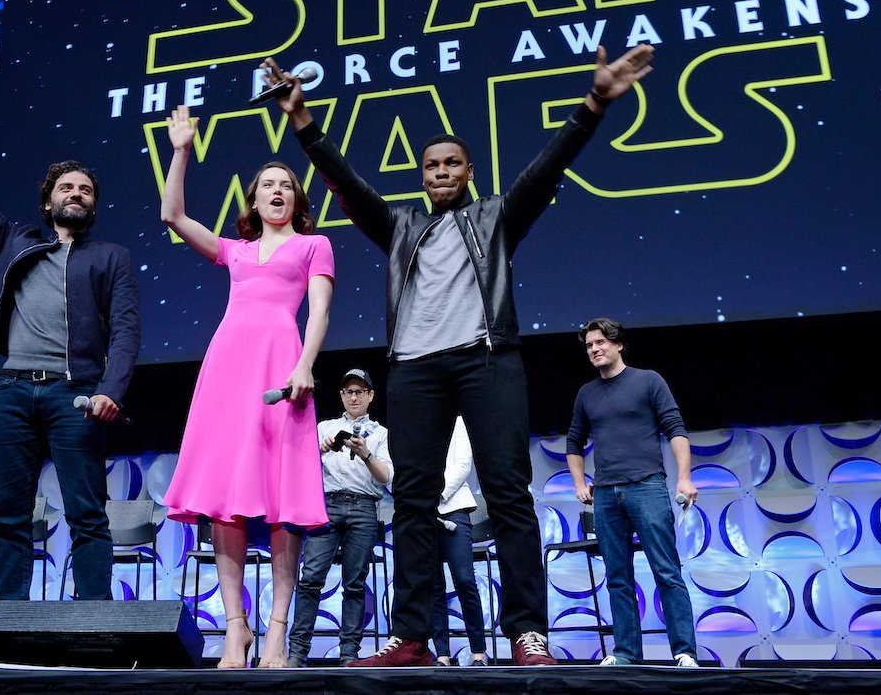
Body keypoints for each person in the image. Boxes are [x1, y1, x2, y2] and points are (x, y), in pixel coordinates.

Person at [261, 42, 655, 667]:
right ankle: (412, 636)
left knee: (508, 494)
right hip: (416, 368)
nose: (441, 173)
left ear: (468, 172)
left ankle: (527, 633)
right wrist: (303, 123)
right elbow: (349, 184)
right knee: (414, 500)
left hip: (487, 361)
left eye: (452, 165)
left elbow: (546, 170)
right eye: (431, 166)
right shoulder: (401, 228)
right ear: (422, 176)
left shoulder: (496, 217)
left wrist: (594, 103)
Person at [0, 86, 140, 602]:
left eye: (85, 190)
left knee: (87, 513)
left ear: (93, 206)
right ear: (48, 201)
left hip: (76, 396)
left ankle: (93, 621)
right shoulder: (17, 241)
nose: (76, 194)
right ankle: (8, 623)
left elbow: (127, 329)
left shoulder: (111, 256)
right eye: (66, 187)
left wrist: (112, 389)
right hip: (13, 393)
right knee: (10, 513)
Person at [159, 104, 334, 669]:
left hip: (283, 370)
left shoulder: (315, 245)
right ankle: (237, 630)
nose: (278, 191)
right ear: (254, 201)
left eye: (287, 186)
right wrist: (182, 150)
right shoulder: (233, 251)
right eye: (268, 186)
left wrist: (305, 365)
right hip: (228, 371)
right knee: (225, 502)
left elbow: (320, 312)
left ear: (297, 202)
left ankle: (278, 631)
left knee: (283, 503)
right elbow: (171, 214)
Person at [565, 316, 700, 667]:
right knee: (617, 577)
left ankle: (684, 652)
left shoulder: (648, 380)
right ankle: (626, 654)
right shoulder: (586, 393)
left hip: (648, 487)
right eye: (589, 346)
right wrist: (580, 484)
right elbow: (574, 442)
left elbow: (676, 429)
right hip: (606, 495)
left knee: (666, 571)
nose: (594, 349)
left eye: (600, 343)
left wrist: (684, 478)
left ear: (618, 344)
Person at [287, 368, 393, 668]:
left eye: (360, 391)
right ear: (341, 396)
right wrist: (317, 450)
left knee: (355, 584)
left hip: (363, 508)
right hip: (328, 505)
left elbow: (388, 477)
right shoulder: (324, 427)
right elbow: (300, 468)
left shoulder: (381, 434)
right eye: (349, 391)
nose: (354, 397)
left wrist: (365, 454)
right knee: (310, 579)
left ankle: (349, 653)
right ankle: (297, 652)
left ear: (371, 396)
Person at [432, 416, 488, 667]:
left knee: (465, 580)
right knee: (433, 586)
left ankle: (479, 651)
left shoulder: (458, 421)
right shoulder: (419, 420)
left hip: (453, 506)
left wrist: (438, 494)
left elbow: (464, 463)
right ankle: (442, 653)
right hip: (424, 512)